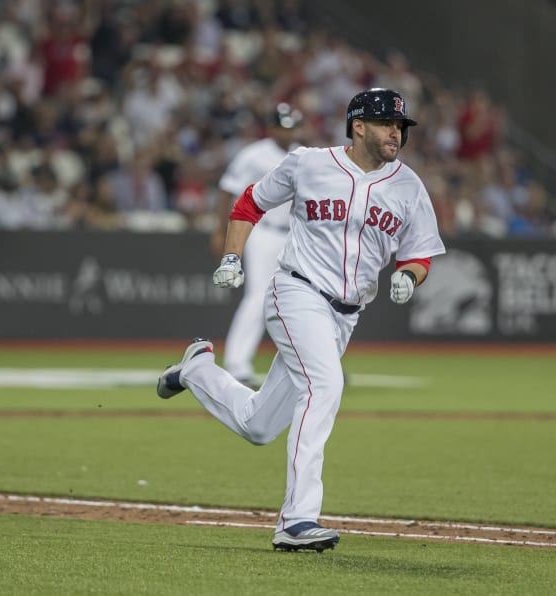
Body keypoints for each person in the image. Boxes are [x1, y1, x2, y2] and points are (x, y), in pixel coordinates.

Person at [156, 88, 446, 552]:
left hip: (345, 316)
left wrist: (410, 278)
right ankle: (296, 520)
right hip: (296, 291)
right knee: (326, 385)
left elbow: (419, 253)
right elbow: (249, 202)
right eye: (387, 123)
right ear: (358, 126)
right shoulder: (310, 163)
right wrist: (233, 256)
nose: (397, 132)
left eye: (401, 126)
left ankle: (196, 370)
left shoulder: (408, 185)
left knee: (259, 425)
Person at [210, 103, 302, 387]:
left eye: (291, 127)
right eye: (282, 126)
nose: (286, 132)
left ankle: (309, 367)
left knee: (301, 299)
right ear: (271, 127)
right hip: (261, 231)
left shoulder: (304, 156)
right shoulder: (253, 155)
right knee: (258, 296)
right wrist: (220, 231)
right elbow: (227, 190)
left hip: (294, 235)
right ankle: (237, 364)